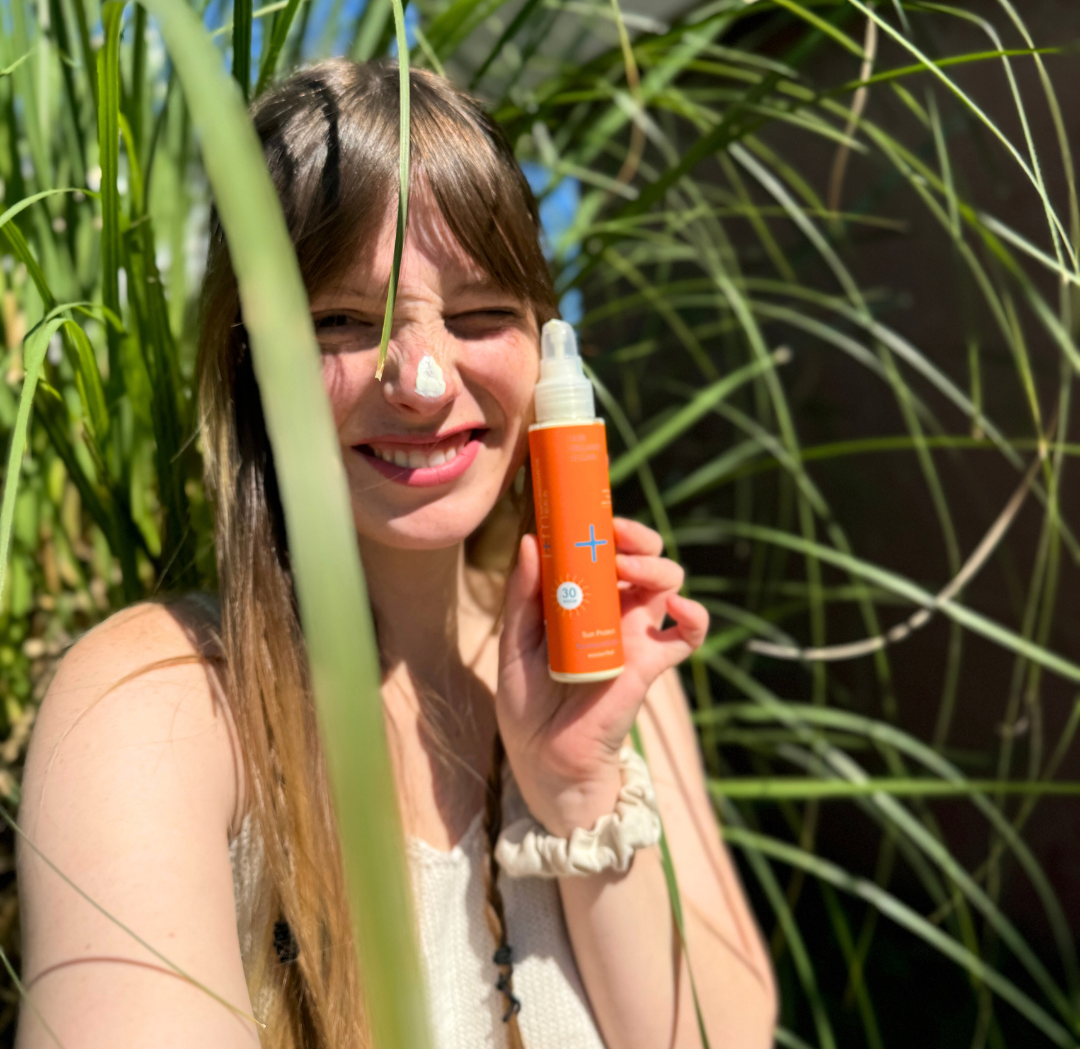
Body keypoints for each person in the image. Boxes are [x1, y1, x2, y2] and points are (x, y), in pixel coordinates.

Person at [15, 60, 776, 1049]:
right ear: (251, 360)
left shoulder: (613, 674)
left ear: (544, 349)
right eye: (342, 320)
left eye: (477, 316)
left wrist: (582, 798)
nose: (421, 381)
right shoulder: (154, 708)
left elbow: (723, 1036)